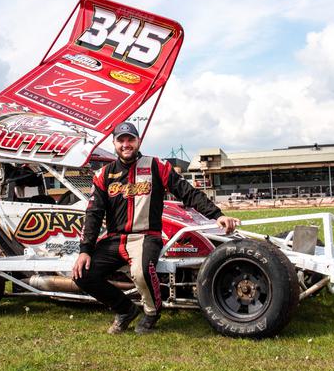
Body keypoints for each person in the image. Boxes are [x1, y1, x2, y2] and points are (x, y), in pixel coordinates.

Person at [72, 122, 240, 334]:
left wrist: (218, 215)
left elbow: (187, 192)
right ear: (114, 143)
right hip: (115, 239)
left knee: (141, 272)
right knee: (81, 275)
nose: (126, 144)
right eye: (121, 140)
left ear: (138, 141)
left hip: (146, 237)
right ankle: (125, 310)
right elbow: (93, 214)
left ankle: (151, 313)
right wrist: (85, 250)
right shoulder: (103, 175)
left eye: (130, 139)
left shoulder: (156, 166)